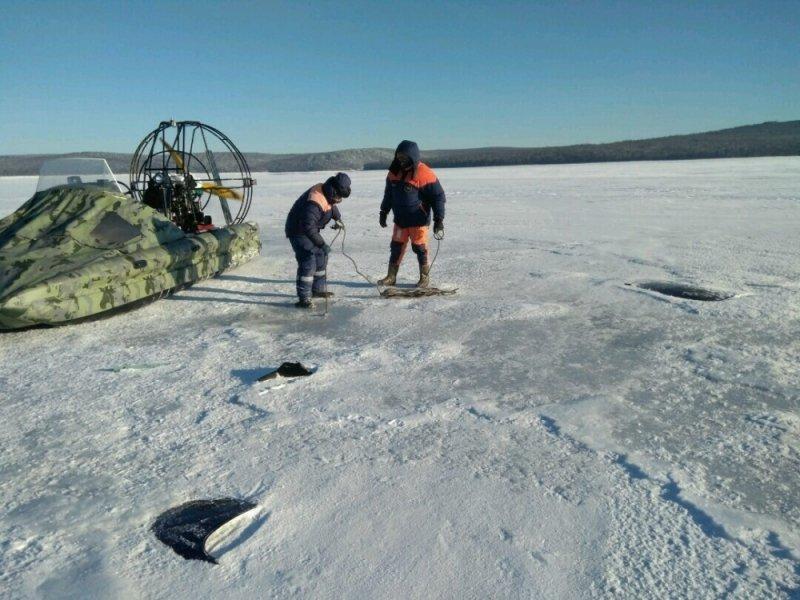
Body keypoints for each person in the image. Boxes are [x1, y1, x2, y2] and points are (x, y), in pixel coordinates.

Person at [378, 140, 445, 287]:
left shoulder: (424, 173)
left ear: (413, 157)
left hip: (418, 221)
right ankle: (391, 277)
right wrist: (384, 211)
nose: (401, 160)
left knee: (420, 248)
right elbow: (389, 194)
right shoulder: (393, 172)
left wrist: (439, 220)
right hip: (400, 221)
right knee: (396, 247)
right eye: (399, 157)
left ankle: (424, 278)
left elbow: (438, 197)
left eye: (404, 157)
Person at [285, 172, 351, 308]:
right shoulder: (315, 201)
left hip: (309, 230)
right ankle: (304, 298)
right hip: (298, 231)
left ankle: (318, 290)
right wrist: (321, 243)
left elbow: (331, 206)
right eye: (339, 196)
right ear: (334, 191)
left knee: (321, 255)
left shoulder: (328, 191)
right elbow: (308, 226)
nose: (339, 199)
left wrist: (337, 218)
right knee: (308, 259)